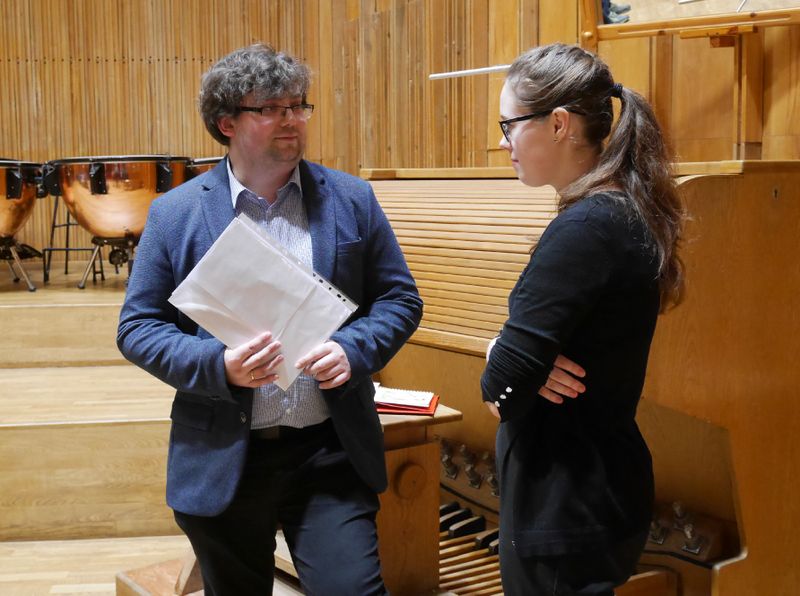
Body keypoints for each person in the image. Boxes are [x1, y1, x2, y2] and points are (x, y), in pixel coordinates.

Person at [117, 43, 422, 595]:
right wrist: (219, 365)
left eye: (298, 106)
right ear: (227, 123)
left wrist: (353, 349)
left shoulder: (351, 198)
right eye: (271, 108)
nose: (292, 120)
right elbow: (137, 328)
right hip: (225, 456)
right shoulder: (175, 213)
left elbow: (400, 299)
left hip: (329, 450)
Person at [481, 43, 684, 595]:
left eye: (509, 124)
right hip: (594, 490)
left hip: (565, 500)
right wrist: (523, 361)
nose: (502, 141)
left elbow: (499, 388)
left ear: (559, 124)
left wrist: (505, 357)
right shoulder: (617, 210)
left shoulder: (586, 228)